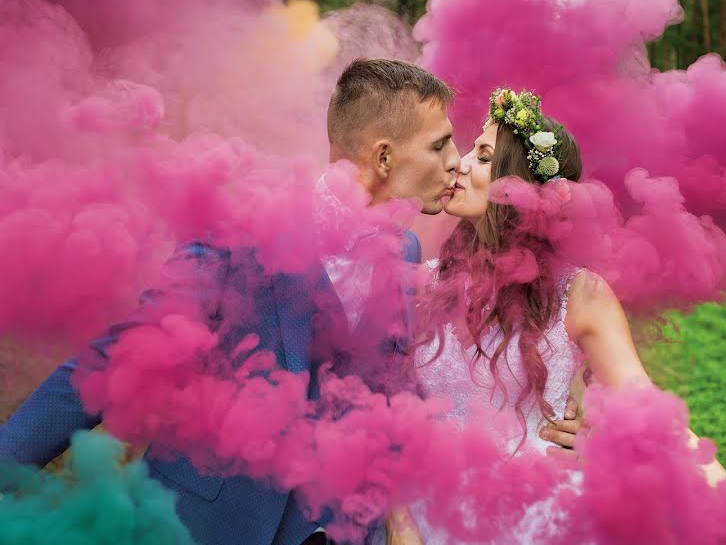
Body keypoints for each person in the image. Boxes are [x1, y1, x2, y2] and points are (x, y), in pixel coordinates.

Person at [0, 58, 463, 545]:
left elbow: (389, 392)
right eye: (438, 144)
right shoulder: (243, 231)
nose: (456, 159)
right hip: (203, 527)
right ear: (384, 157)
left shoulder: (406, 251)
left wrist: (396, 521)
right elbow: (117, 359)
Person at [389, 88, 726, 544]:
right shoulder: (419, 286)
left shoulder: (580, 294)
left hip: (539, 521)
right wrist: (399, 521)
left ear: (520, 191)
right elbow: (380, 413)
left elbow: (654, 419)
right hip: (433, 523)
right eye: (470, 149)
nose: (460, 163)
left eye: (484, 156)